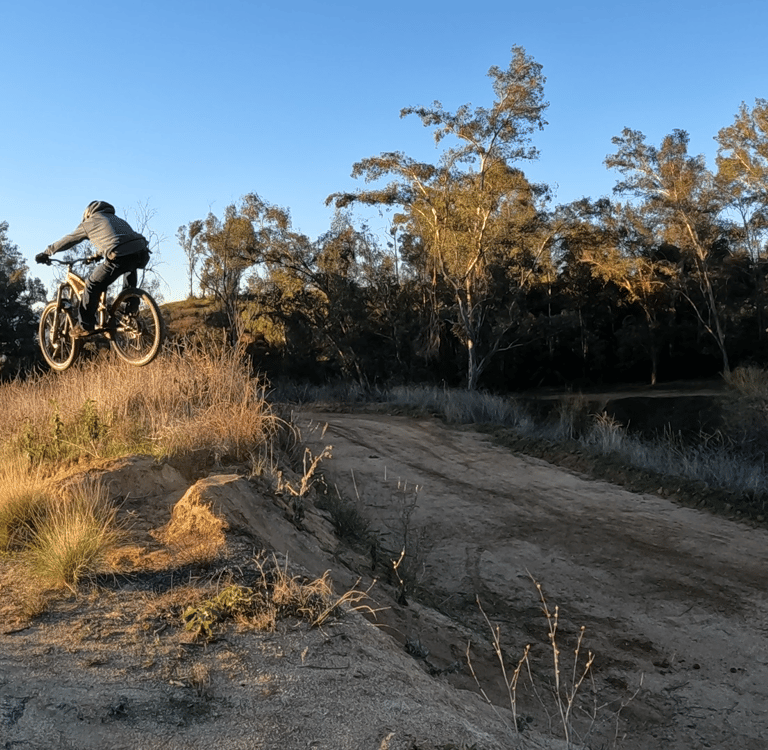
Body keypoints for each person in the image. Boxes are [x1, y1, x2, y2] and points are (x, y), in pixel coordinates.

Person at [36, 201, 150, 336]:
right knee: (129, 268)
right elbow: (115, 238)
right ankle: (131, 308)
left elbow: (69, 239)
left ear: (88, 214)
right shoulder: (115, 219)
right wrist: (97, 255)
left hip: (119, 253)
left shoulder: (90, 222)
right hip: (141, 252)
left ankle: (85, 325)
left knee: (92, 284)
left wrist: (48, 252)